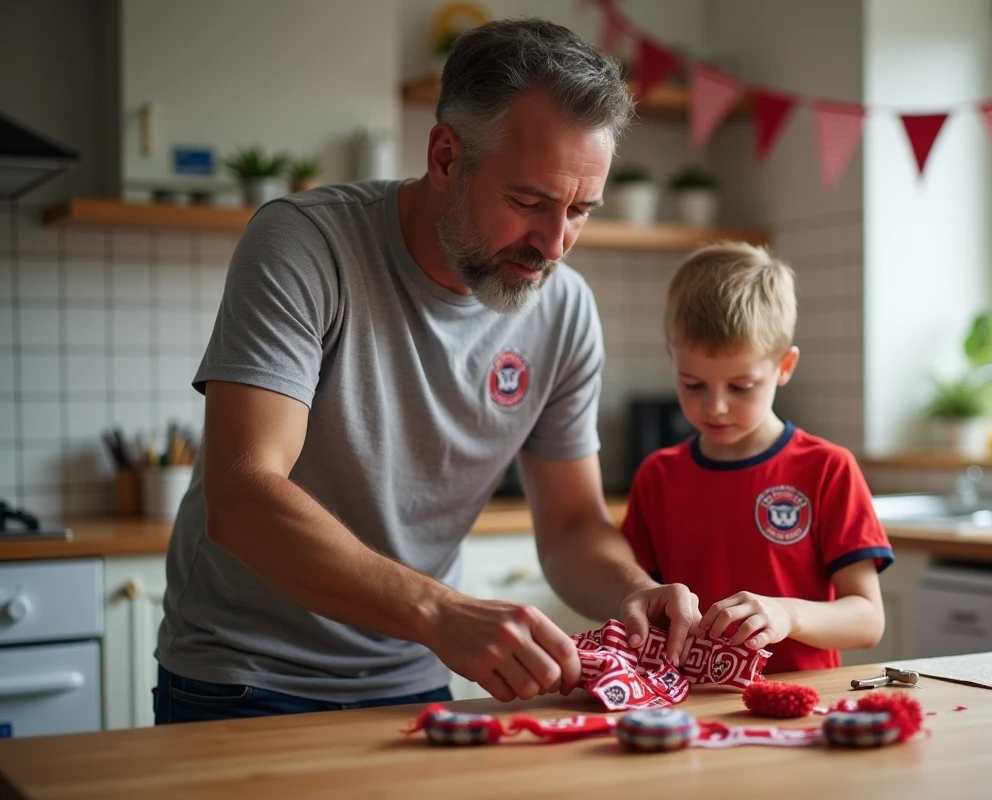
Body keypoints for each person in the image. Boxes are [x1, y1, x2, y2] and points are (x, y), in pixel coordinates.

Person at [153, 18, 700, 724]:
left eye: (580, 211)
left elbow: (569, 526)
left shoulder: (563, 308)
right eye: (529, 202)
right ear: (446, 157)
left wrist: (630, 587)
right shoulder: (304, 244)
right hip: (242, 679)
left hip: (413, 676)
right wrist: (441, 612)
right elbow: (242, 493)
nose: (554, 243)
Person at [620, 242, 893, 674]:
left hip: (801, 706)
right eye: (693, 384)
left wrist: (789, 615)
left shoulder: (827, 469)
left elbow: (867, 620)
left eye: (741, 387)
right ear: (671, 358)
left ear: (785, 367)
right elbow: (638, 599)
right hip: (691, 705)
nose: (716, 407)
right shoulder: (658, 476)